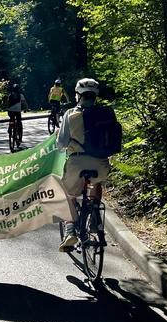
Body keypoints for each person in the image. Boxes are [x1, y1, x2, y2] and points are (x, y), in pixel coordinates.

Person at [56, 78, 115, 252]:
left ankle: (70, 230)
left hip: (77, 162)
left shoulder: (71, 114)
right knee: (96, 182)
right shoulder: (107, 112)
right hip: (101, 163)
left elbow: (61, 144)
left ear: (78, 95)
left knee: (68, 194)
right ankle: (95, 213)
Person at [6, 83, 28, 147]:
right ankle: (20, 137)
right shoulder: (21, 95)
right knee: (19, 123)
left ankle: (10, 127)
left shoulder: (10, 95)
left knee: (11, 118)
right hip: (17, 111)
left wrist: (7, 109)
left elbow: (7, 103)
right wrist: (25, 108)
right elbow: (24, 103)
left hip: (10, 111)